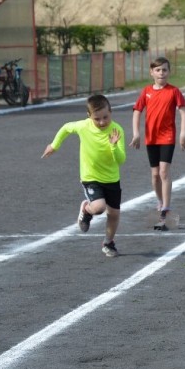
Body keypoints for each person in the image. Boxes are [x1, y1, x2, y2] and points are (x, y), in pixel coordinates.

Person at [42, 94, 127, 257]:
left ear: (111, 112)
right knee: (99, 207)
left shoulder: (117, 130)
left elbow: (121, 160)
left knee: (114, 214)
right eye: (97, 119)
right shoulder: (83, 126)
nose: (102, 122)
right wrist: (54, 145)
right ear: (89, 117)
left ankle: (108, 243)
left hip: (112, 178)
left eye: (105, 117)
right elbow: (66, 127)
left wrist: (114, 146)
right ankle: (86, 210)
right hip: (90, 177)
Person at [129, 57, 185, 231]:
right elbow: (137, 112)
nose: (161, 73)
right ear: (151, 72)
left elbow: (183, 113)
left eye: (164, 70)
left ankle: (165, 209)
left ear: (169, 72)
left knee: (164, 171)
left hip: (167, 137)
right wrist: (136, 133)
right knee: (155, 175)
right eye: (158, 70)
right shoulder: (146, 91)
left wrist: (183, 134)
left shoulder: (174, 91)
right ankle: (160, 200)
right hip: (151, 138)